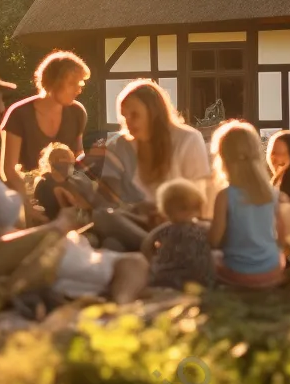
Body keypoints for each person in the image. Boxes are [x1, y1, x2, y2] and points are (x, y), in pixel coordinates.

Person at [0, 63, 147, 313]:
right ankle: (108, 283)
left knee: (57, 237)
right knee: (62, 232)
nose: (1, 108)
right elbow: (7, 214)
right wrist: (24, 188)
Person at [94, 79, 213, 218]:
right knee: (104, 219)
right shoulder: (118, 145)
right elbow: (107, 196)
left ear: (153, 113)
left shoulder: (188, 139)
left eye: (134, 115)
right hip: (133, 221)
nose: (128, 122)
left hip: (176, 222)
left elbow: (200, 196)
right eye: (123, 116)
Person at [0, 50, 90, 201]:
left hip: (67, 197)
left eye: (80, 84)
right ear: (54, 82)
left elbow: (77, 157)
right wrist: (28, 206)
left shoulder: (77, 112)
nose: (78, 89)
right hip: (27, 196)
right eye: (72, 83)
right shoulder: (18, 114)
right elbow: (9, 170)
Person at [207, 121, 286, 289]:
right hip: (271, 270)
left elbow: (214, 240)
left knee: (211, 257)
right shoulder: (273, 194)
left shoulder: (225, 196)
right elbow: (282, 238)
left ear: (223, 158)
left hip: (237, 272)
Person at [141, 179, 215, 290]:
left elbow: (214, 236)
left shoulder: (201, 227)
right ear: (168, 211)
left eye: (195, 208)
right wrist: (152, 260)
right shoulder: (165, 230)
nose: (191, 212)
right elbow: (147, 244)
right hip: (169, 272)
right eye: (183, 209)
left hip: (197, 272)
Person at [33, 142, 79, 221]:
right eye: (56, 158)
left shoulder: (76, 182)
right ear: (49, 162)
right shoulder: (43, 184)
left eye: (64, 156)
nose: (61, 160)